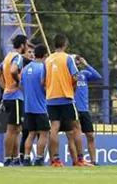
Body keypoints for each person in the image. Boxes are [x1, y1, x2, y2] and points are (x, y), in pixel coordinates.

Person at [44, 34, 89, 167]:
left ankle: (55, 160)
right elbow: (76, 76)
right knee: (76, 126)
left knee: (54, 128)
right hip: (66, 97)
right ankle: (80, 159)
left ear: (54, 45)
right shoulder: (68, 58)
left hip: (51, 98)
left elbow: (43, 80)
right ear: (65, 45)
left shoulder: (47, 60)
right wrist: (72, 88)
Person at [0, 34, 27, 166]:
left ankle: (14, 158)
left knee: (17, 128)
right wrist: (18, 82)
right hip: (15, 96)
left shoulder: (8, 56)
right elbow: (14, 70)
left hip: (9, 95)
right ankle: (8, 158)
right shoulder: (17, 57)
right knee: (12, 129)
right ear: (22, 45)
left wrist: (5, 87)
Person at [21, 44, 50, 166]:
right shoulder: (43, 68)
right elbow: (44, 85)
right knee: (43, 133)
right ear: (44, 55)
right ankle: (39, 158)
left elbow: (21, 84)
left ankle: (26, 158)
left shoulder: (26, 68)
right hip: (40, 106)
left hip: (28, 107)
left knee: (31, 133)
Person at [74, 55, 102, 165]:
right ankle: (77, 160)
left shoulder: (84, 74)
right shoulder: (67, 74)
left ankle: (93, 161)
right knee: (74, 135)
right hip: (73, 108)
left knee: (90, 135)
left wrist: (86, 64)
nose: (76, 62)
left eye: (77, 60)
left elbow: (97, 76)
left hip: (84, 109)